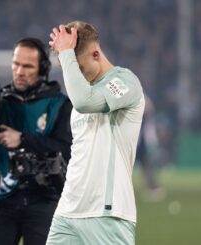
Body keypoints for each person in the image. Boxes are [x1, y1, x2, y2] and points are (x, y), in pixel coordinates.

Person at [0, 37, 72, 245]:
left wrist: (23, 140)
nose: (19, 71)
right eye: (16, 64)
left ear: (43, 68)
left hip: (45, 199)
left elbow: (67, 151)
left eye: (27, 66)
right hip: (2, 200)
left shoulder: (59, 105)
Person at [47, 21, 145, 244]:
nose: (76, 76)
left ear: (95, 54)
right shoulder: (85, 91)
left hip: (106, 213)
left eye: (78, 68)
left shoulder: (125, 82)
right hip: (68, 211)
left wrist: (65, 54)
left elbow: (83, 101)